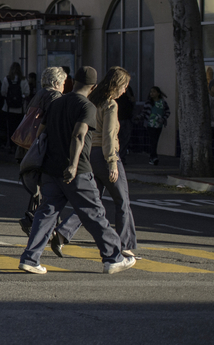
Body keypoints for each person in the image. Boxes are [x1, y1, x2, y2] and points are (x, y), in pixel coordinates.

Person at [18, 66, 135, 275]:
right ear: (94, 86)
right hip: (77, 169)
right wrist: (72, 164)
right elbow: (79, 136)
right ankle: (113, 257)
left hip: (50, 169)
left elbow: (41, 132)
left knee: (46, 213)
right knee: (95, 213)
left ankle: (30, 258)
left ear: (72, 82)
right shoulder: (87, 106)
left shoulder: (57, 103)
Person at [49, 67, 139, 259]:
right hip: (106, 155)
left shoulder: (90, 101)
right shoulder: (110, 105)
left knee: (90, 203)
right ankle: (124, 245)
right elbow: (108, 136)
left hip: (89, 155)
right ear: (117, 85)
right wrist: (112, 162)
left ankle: (63, 233)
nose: (125, 90)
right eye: (124, 86)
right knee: (122, 201)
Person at [17, 66, 66, 234]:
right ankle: (36, 220)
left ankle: (36, 220)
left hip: (29, 145)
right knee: (51, 187)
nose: (64, 85)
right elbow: (53, 121)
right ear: (56, 82)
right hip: (43, 145)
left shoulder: (39, 94)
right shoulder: (54, 96)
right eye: (64, 82)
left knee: (42, 187)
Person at [3, 63, 31, 149]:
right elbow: (27, 92)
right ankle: (18, 146)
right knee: (19, 129)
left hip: (8, 108)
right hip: (20, 109)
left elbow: (3, 92)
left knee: (10, 128)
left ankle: (10, 146)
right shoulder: (23, 80)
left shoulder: (6, 79)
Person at [143, 86, 169, 165]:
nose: (152, 93)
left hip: (159, 125)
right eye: (151, 92)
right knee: (153, 141)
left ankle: (152, 157)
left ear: (158, 93)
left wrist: (164, 119)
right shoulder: (148, 103)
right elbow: (144, 112)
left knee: (155, 141)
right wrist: (139, 117)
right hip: (150, 124)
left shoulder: (163, 102)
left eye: (154, 92)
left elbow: (167, 112)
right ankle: (154, 157)